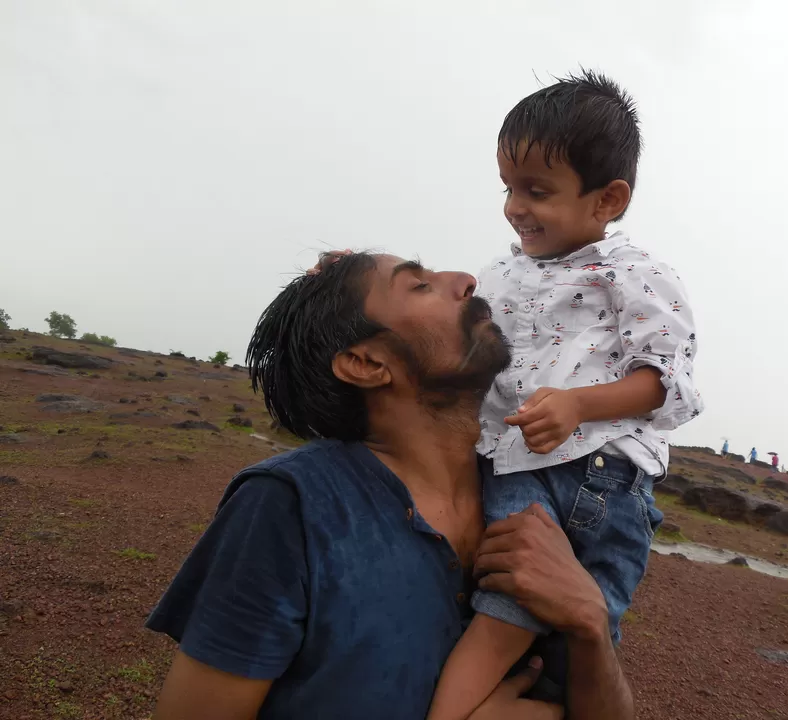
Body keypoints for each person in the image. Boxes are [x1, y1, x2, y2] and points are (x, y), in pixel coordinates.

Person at [145, 251, 635, 719]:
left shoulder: (543, 492)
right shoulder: (290, 506)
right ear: (366, 363)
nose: (466, 279)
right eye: (420, 285)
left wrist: (589, 622)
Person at [427, 70, 703, 720]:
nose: (514, 206)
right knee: (504, 623)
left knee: (559, 640)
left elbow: (667, 383)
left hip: (595, 478)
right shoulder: (506, 271)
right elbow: (455, 333)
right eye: (508, 187)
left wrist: (580, 404)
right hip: (510, 463)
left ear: (606, 200)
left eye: (537, 191)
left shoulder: (635, 274)